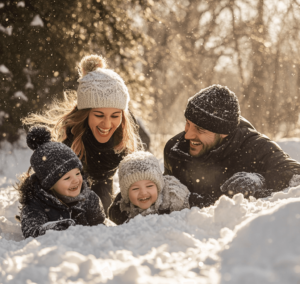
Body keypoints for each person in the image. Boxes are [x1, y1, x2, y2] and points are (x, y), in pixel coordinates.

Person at [22, 54, 143, 213]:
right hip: (73, 183)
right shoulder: (69, 142)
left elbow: (143, 176)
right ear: (85, 114)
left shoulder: (124, 136)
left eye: (115, 116)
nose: (107, 124)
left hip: (102, 181)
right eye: (99, 115)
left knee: (104, 207)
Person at [164, 84, 300, 207]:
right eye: (188, 123)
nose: (188, 135)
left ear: (224, 132)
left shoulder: (255, 147)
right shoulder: (175, 150)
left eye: (200, 129)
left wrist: (261, 180)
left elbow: (295, 173)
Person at [16, 126, 106, 239]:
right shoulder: (35, 204)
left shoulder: (89, 198)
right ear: (50, 184)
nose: (75, 180)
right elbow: (32, 231)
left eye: (78, 173)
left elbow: (100, 226)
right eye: (67, 178)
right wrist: (53, 229)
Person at [108, 151, 205, 225]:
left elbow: (196, 204)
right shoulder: (123, 207)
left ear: (158, 186)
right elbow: (114, 215)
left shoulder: (173, 195)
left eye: (149, 186)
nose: (143, 192)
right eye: (135, 189)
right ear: (126, 194)